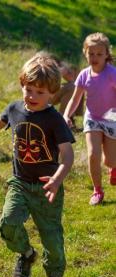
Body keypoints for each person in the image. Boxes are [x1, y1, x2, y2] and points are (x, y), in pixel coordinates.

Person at [0, 54, 75, 277]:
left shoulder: (55, 120)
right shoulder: (15, 109)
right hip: (20, 182)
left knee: (51, 236)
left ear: (53, 93)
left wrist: (57, 180)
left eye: (40, 92)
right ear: (21, 85)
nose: (33, 96)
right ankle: (26, 254)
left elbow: (67, 155)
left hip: (47, 188)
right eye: (28, 89)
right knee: (7, 223)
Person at [63, 32, 116, 206]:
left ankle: (113, 168)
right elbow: (75, 99)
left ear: (107, 54)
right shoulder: (84, 75)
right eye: (91, 53)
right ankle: (97, 190)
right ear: (85, 53)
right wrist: (66, 115)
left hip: (111, 119)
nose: (95, 57)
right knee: (93, 154)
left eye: (99, 54)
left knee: (109, 160)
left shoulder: (111, 74)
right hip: (92, 118)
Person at [50, 62, 84, 127]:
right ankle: (62, 121)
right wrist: (59, 71)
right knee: (72, 87)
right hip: (41, 92)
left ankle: (68, 117)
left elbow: (72, 80)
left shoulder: (65, 63)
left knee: (76, 86)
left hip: (52, 91)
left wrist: (66, 72)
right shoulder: (45, 58)